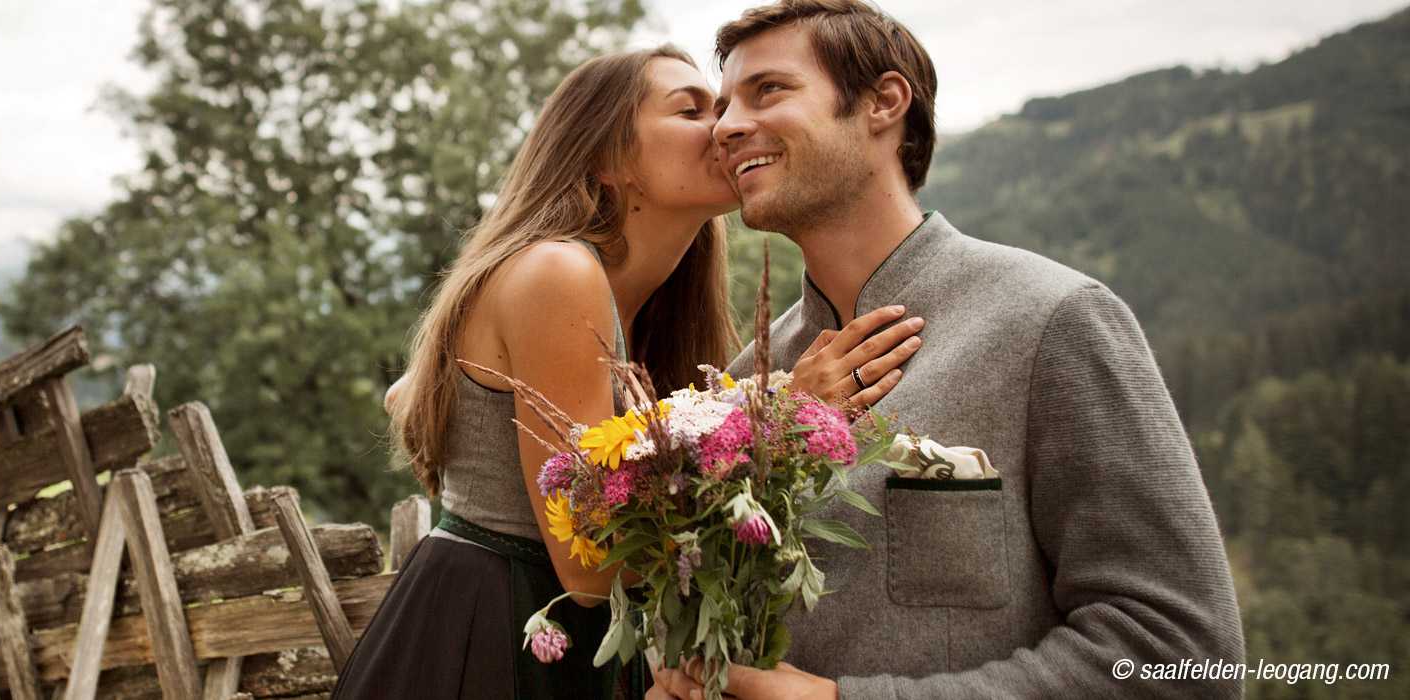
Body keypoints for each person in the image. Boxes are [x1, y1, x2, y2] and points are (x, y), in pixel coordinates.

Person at [649, 2, 1245, 698]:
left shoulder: (1053, 320)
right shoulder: (748, 382)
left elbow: (1181, 654)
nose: (726, 127)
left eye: (768, 91)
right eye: (722, 107)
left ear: (884, 102)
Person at [338, 45, 924, 699]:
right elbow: (590, 571)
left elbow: (414, 395)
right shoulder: (559, 272)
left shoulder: (644, 308)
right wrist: (783, 420)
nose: (726, 126)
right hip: (491, 646)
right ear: (608, 159)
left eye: (724, 107)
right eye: (691, 109)